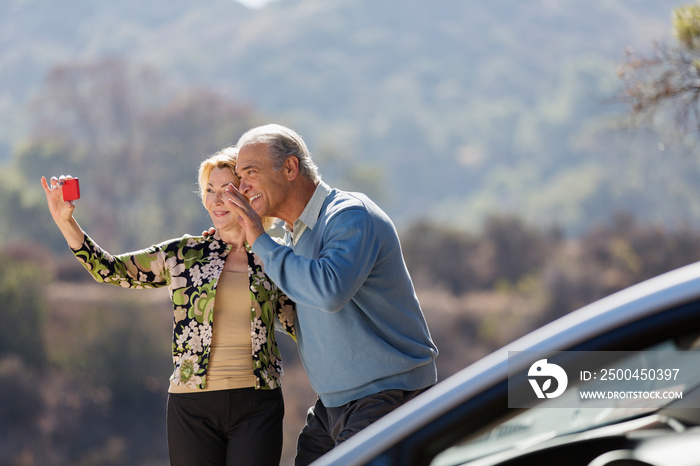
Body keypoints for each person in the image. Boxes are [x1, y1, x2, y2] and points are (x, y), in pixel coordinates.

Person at [41, 147, 295, 466]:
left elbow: (305, 323)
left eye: (226, 191)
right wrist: (66, 222)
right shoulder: (184, 253)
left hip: (258, 406)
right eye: (209, 190)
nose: (215, 201)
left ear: (246, 193)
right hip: (192, 408)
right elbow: (111, 269)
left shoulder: (276, 257)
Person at [221, 124, 439, 465]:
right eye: (239, 176)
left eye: (251, 172)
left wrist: (259, 238)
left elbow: (327, 291)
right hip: (332, 405)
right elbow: (287, 309)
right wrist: (229, 250)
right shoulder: (293, 236)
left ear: (290, 168)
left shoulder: (349, 215)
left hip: (387, 396)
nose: (242, 186)